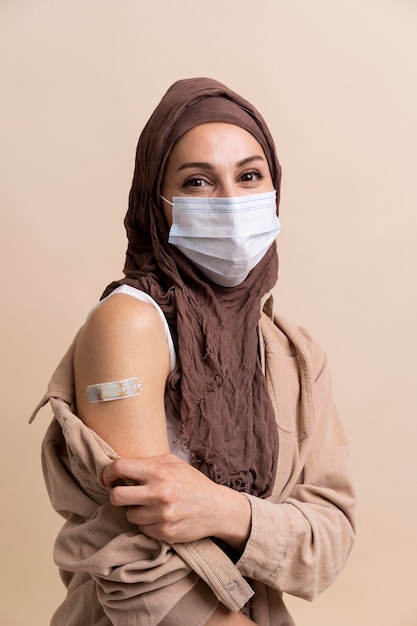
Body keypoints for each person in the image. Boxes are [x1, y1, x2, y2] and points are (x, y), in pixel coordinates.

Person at [30, 77, 356, 626]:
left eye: (250, 176)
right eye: (198, 181)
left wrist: (220, 507)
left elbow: (330, 538)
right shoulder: (130, 323)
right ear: (156, 203)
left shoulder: (293, 354)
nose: (231, 200)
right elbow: (137, 562)